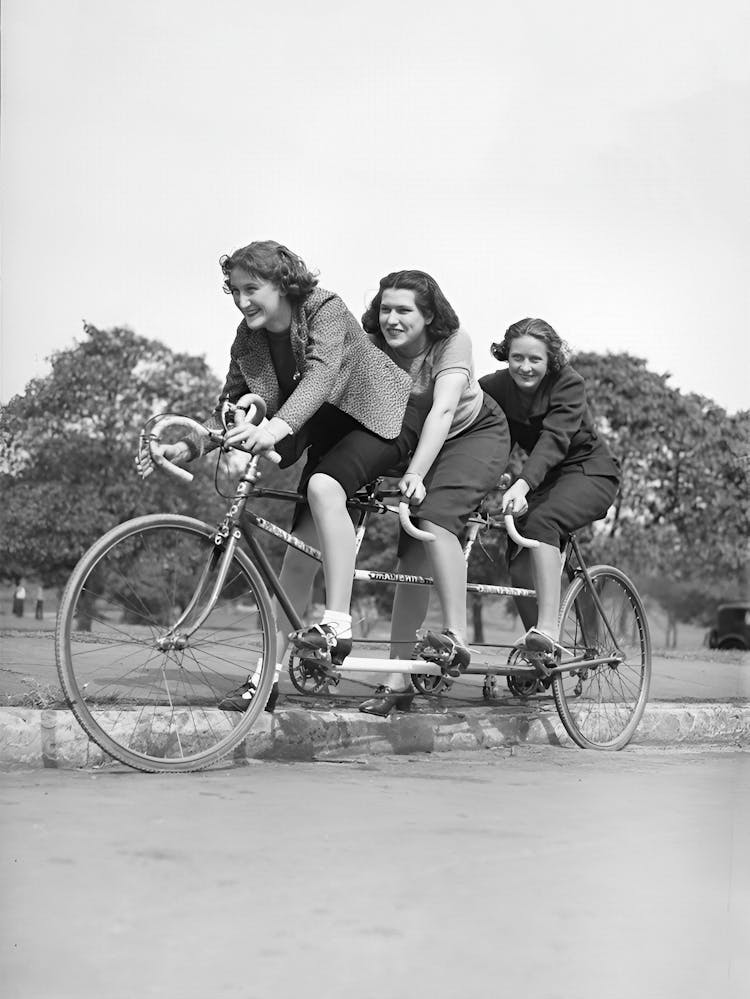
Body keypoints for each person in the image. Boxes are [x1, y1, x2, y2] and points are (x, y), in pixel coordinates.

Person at [137, 240, 420, 711]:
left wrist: (279, 426)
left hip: (379, 419)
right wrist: (187, 446)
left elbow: (323, 375)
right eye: (233, 290)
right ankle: (263, 681)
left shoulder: (323, 307)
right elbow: (230, 408)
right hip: (325, 430)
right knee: (296, 561)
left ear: (283, 284)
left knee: (322, 485)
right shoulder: (247, 338)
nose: (241, 300)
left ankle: (337, 623)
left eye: (252, 288)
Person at [352, 270, 511, 716]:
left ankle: (456, 636)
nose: (392, 319)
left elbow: (443, 410)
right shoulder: (375, 346)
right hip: (424, 437)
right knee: (411, 552)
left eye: (404, 310)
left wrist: (417, 473)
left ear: (428, 315)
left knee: (435, 518)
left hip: (474, 433)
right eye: (385, 309)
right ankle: (396, 677)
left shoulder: (453, 341)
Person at [479, 318, 621, 654]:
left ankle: (547, 630)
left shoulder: (568, 383)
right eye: (517, 358)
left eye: (535, 360)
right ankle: (538, 649)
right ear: (506, 355)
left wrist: (524, 483)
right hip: (548, 478)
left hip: (590, 471)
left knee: (543, 522)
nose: (525, 367)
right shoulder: (494, 387)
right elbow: (490, 436)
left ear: (550, 360)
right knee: (516, 552)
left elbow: (555, 439)